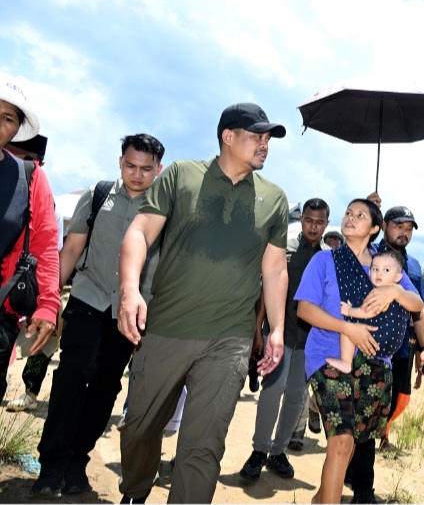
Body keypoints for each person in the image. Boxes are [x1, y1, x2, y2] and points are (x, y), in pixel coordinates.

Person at [116, 102, 290, 503]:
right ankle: (136, 491)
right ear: (228, 136)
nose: (265, 145)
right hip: (165, 327)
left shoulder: (274, 198)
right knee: (140, 428)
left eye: (268, 139)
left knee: (203, 444)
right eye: (256, 136)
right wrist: (129, 290)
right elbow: (139, 232)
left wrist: (276, 328)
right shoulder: (181, 175)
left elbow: (275, 270)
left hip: (228, 340)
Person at [30, 134, 165, 498]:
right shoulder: (99, 194)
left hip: (130, 314)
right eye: (130, 166)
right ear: (120, 162)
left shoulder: (164, 211)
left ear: (159, 169)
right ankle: (51, 464)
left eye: (146, 168)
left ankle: (77, 462)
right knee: (73, 375)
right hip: (88, 301)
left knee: (106, 386)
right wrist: (49, 298)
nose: (137, 175)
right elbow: (71, 249)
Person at [295, 198, 424, 504]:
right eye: (348, 213)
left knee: (351, 442)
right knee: (342, 439)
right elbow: (304, 309)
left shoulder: (386, 265)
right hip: (329, 356)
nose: (350, 218)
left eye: (360, 215)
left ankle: (321, 499)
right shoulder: (325, 261)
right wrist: (346, 328)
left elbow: (417, 305)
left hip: (374, 364)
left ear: (375, 228)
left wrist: (394, 290)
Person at [238, 198, 329, 481]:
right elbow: (269, 287)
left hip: (309, 341)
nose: (313, 227)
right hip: (280, 334)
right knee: (271, 391)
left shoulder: (328, 258)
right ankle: (258, 451)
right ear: (301, 219)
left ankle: (278, 452)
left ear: (326, 223)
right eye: (308, 221)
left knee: (296, 397)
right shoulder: (284, 250)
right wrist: (258, 330)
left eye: (319, 222)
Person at [347, 202, 424, 501]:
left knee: (380, 414)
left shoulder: (412, 267)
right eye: (398, 226)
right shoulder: (369, 253)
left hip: (395, 354)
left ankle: (355, 475)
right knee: (358, 420)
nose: (404, 233)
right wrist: (369, 207)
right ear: (383, 226)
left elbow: (419, 309)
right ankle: (360, 486)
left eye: (409, 229)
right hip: (358, 350)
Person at [0, 75, 59, 406]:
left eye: (7, 118)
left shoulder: (30, 178)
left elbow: (46, 245)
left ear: (16, 129)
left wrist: (49, 304)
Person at [329, 250, 406, 373]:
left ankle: (346, 362)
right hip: (391, 346)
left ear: (398, 276)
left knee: (348, 328)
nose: (379, 273)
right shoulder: (400, 291)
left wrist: (349, 311)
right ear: (369, 272)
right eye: (375, 269)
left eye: (386, 270)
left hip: (376, 340)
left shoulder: (384, 292)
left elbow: (369, 312)